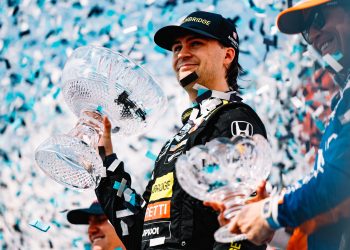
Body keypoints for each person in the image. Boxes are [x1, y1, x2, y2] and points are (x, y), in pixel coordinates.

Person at [95, 11, 268, 250]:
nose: (182, 54)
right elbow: (139, 231)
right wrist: (105, 162)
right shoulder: (175, 142)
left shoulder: (233, 118)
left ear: (228, 55)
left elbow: (243, 223)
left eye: (195, 44)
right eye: (177, 47)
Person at [221, 0, 350, 249]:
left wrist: (272, 212)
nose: (312, 35)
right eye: (306, 31)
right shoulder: (341, 102)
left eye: (318, 19)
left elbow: (342, 176)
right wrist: (262, 219)